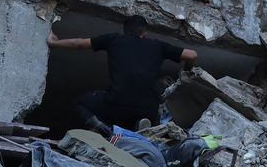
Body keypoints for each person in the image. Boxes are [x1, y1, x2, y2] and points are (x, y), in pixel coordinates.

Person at [47, 15, 199, 133]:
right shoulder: (158, 46)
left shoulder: (113, 39)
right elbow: (192, 55)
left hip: (115, 104)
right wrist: (183, 78)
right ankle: (138, 125)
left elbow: (79, 43)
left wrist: (55, 43)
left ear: (124, 30)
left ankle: (102, 126)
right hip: (148, 109)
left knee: (79, 103)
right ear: (144, 33)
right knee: (134, 123)